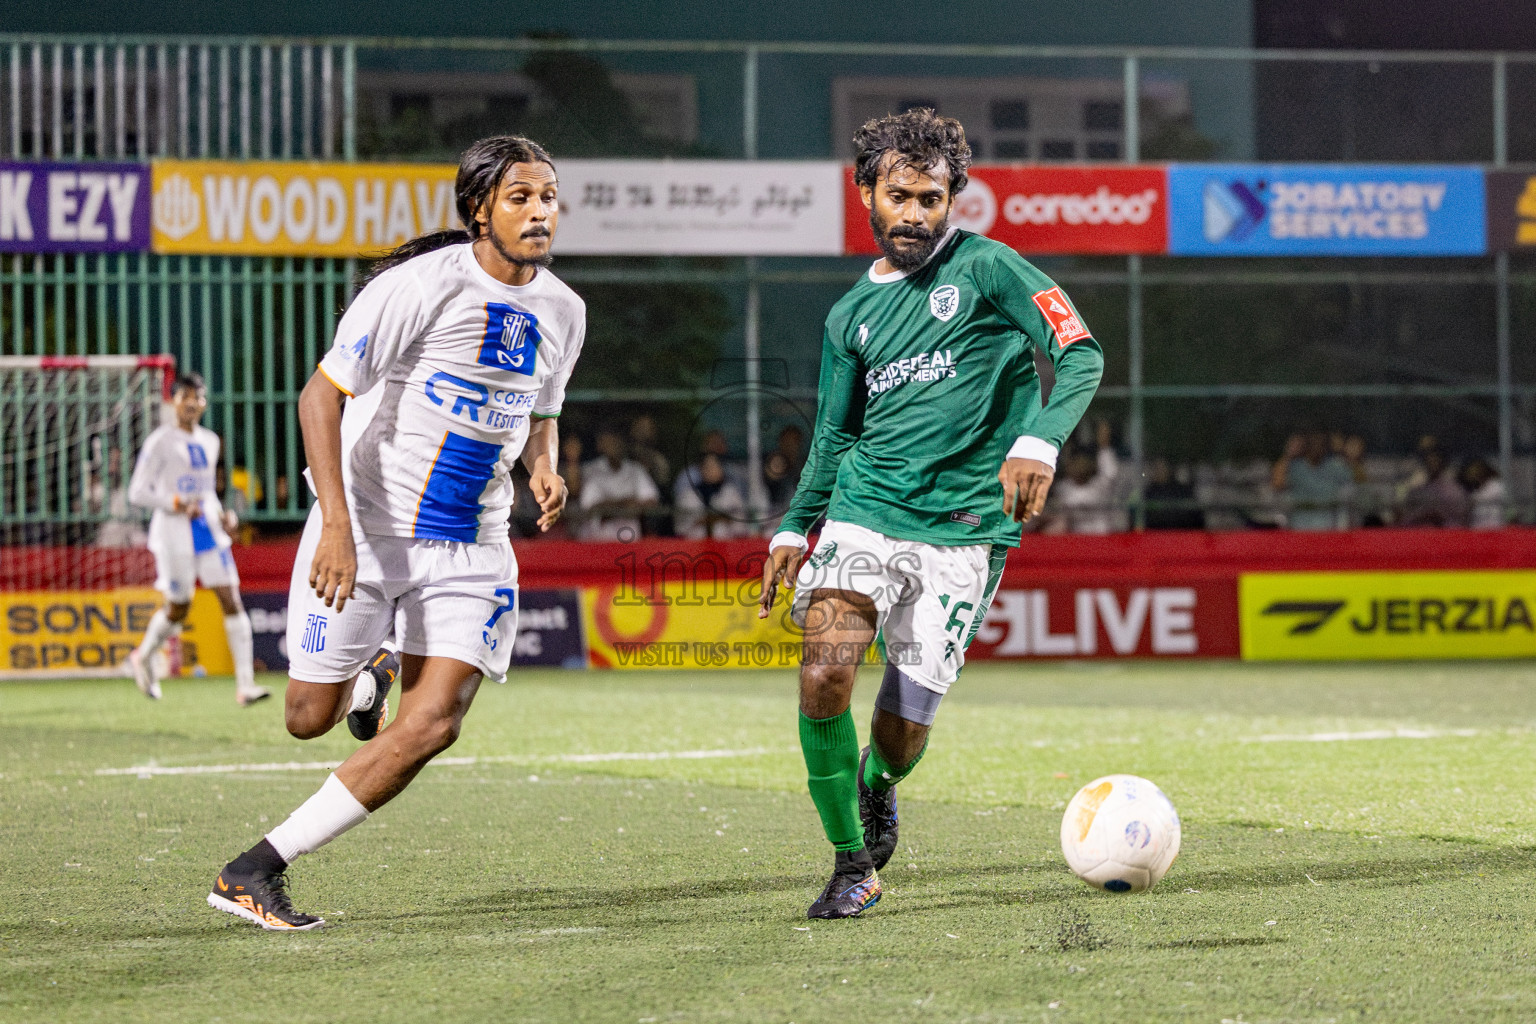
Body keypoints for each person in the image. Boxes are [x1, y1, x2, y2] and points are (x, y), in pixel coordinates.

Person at [206, 134, 581, 931]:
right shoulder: (419, 287)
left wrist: (543, 467)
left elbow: (541, 411)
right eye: (520, 196)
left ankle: (255, 869)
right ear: (479, 209)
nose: (540, 210)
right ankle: (369, 671)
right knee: (307, 716)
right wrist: (335, 527)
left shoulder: (565, 310)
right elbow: (318, 399)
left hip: (475, 544)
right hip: (368, 529)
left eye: (548, 195)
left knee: (435, 723)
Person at [758, 109, 1103, 919]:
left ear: (954, 198)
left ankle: (878, 786)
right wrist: (791, 525)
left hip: (964, 530)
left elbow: (1078, 351)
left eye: (932, 197)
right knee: (827, 666)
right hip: (865, 508)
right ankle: (852, 864)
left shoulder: (990, 270)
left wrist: (1040, 441)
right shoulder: (849, 317)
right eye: (899, 195)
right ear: (867, 196)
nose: (915, 213)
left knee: (903, 727)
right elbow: (837, 431)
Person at [125, 372, 268, 707]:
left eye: (198, 397)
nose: (192, 403)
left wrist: (223, 515)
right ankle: (143, 657)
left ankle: (245, 685)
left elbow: (206, 493)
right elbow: (137, 493)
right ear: (173, 400)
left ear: (204, 403)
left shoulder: (210, 440)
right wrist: (173, 503)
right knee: (179, 608)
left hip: (207, 532)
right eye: (185, 396)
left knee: (231, 598)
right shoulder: (160, 441)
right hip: (173, 534)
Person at [579, 430, 660, 540]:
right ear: (600, 445)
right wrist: (626, 504)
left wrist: (612, 507)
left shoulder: (636, 470)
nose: (613, 446)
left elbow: (651, 501)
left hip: (630, 541)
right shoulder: (591, 470)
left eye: (616, 441)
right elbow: (590, 507)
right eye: (609, 441)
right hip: (597, 541)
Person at [1047, 419, 1121, 534]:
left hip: (1101, 537)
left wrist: (1104, 446)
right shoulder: (1063, 488)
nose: (1080, 467)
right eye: (1077, 463)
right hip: (1075, 538)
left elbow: (1110, 473)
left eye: (1084, 463)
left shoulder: (1100, 485)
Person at [1271, 431, 1353, 530]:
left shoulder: (1336, 466)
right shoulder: (1295, 466)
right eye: (1313, 443)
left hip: (1329, 524)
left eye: (1321, 444)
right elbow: (1277, 484)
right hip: (1300, 524)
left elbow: (1353, 489)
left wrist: (1341, 451)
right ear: (1306, 446)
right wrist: (1289, 454)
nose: (1317, 447)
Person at [674, 452, 750, 539]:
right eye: (707, 467)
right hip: (695, 545)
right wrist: (708, 519)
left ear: (721, 469)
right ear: (700, 470)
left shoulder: (731, 493)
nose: (710, 470)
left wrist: (718, 519)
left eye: (714, 466)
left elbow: (740, 526)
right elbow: (681, 528)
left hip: (726, 544)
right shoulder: (689, 494)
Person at [1401, 441, 1470, 527]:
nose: (1432, 463)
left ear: (1443, 462)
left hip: (1447, 534)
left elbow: (1461, 519)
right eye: (1429, 460)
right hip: (1420, 534)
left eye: (1436, 460)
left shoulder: (1454, 489)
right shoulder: (1418, 488)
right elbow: (1407, 516)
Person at [1143, 456, 1204, 530]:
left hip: (1181, 534)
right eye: (1156, 468)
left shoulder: (1182, 491)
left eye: (1162, 468)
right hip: (1155, 535)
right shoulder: (1148, 492)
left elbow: (1195, 515)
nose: (1159, 471)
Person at [1459, 458, 1506, 529]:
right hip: (1477, 524)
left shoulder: (1495, 484)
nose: (1473, 474)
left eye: (1475, 471)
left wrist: (1473, 499)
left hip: (1493, 525)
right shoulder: (1474, 487)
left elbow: (1487, 497)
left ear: (1483, 470)